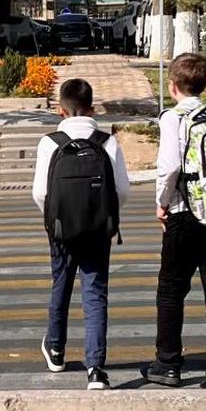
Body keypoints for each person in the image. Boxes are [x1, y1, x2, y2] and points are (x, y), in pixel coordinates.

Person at [142, 53, 206, 389]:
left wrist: (161, 203)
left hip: (186, 215)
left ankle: (168, 364)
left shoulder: (174, 118)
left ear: (172, 86)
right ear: (205, 84)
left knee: (171, 291)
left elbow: (169, 166)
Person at [32, 78, 131, 390]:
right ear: (92, 107)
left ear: (61, 110)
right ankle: (96, 370)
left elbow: (40, 193)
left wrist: (55, 219)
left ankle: (57, 350)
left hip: (61, 230)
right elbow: (122, 191)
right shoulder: (107, 142)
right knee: (95, 292)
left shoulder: (50, 142)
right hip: (98, 230)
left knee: (60, 284)